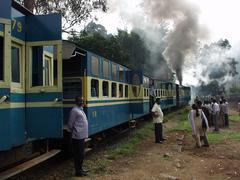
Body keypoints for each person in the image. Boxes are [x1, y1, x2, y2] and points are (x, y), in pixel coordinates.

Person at [68, 96, 89, 177]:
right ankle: (78, 172)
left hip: (81, 136)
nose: (82, 102)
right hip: (77, 136)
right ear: (76, 102)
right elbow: (70, 124)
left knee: (81, 154)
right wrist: (75, 132)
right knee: (78, 155)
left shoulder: (80, 109)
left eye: (83, 101)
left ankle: (80, 169)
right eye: (80, 101)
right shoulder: (74, 110)